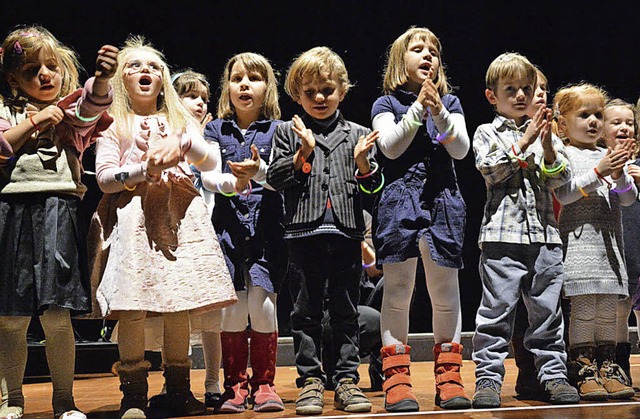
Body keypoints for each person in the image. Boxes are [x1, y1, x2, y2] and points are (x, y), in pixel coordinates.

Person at [88, 35, 237, 419]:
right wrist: (143, 170)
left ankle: (179, 390)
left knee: (179, 305)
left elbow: (209, 162)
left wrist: (184, 140)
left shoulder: (179, 120)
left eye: (154, 66)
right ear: (121, 78)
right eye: (135, 65)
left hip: (180, 220)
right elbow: (104, 178)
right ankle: (134, 395)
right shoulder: (114, 124)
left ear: (164, 80)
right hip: (135, 221)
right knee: (134, 306)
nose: (146, 71)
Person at [0, 25, 117, 419]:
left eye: (51, 66)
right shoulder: (6, 111)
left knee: (56, 314)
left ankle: (64, 400)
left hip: (57, 212)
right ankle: (12, 399)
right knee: (12, 316)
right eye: (32, 69)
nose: (45, 75)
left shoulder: (68, 117)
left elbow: (91, 109)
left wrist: (101, 79)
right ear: (14, 77)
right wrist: (34, 122)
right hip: (11, 213)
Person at [266, 46, 382, 415]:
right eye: (310, 91)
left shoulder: (359, 134)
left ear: (342, 91)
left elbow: (373, 191)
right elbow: (275, 178)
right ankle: (311, 380)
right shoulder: (288, 132)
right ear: (296, 94)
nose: (319, 97)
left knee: (347, 311)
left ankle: (347, 379)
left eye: (327, 90)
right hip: (303, 235)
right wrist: (303, 154)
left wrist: (364, 165)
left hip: (346, 234)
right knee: (305, 311)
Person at [369, 26, 471, 412]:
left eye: (434, 51)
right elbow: (390, 150)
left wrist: (439, 111)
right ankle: (397, 381)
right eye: (417, 49)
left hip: (443, 199)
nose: (427, 56)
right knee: (398, 290)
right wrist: (417, 109)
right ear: (400, 61)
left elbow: (461, 150)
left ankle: (449, 378)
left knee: (445, 291)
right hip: (400, 200)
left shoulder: (452, 104)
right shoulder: (385, 105)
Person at [471, 52, 580, 408]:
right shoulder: (487, 132)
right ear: (493, 96)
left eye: (526, 88)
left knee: (547, 314)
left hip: (545, 239)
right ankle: (488, 379)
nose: (520, 95)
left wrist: (547, 146)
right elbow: (491, 170)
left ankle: (553, 377)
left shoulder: (546, 132)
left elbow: (561, 180)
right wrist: (525, 141)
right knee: (496, 313)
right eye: (511, 89)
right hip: (502, 239)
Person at [199, 52, 287, 413]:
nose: (245, 84)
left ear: (268, 87)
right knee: (233, 312)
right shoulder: (215, 129)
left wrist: (259, 172)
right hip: (227, 234)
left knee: (263, 308)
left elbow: (283, 180)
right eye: (237, 78)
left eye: (254, 77)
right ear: (228, 88)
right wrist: (235, 183)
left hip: (268, 233)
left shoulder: (279, 130)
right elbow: (206, 175)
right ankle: (235, 385)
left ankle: (265, 384)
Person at [554, 86, 637, 400]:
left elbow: (628, 200)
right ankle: (583, 368)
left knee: (608, 312)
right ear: (563, 124)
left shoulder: (607, 154)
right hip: (580, 249)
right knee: (585, 310)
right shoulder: (564, 153)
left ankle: (607, 367)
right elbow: (564, 193)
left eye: (598, 115)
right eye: (584, 115)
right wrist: (598, 172)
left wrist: (619, 175)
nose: (593, 121)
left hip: (609, 251)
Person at [171, 68, 224, 409]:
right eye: (191, 96)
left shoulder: (211, 144)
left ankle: (213, 383)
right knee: (177, 316)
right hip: (172, 237)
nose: (200, 103)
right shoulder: (163, 136)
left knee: (210, 318)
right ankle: (178, 385)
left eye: (204, 98)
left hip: (204, 238)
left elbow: (214, 180)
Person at [509, 66, 550, 400]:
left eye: (543, 89)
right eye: (533, 88)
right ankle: (528, 372)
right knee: (525, 307)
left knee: (552, 307)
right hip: (519, 232)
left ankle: (557, 371)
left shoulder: (556, 134)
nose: (539, 94)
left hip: (553, 229)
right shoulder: (508, 133)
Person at [603, 98, 638, 388]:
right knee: (619, 311)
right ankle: (619, 367)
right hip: (616, 251)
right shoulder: (597, 163)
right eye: (617, 122)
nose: (625, 127)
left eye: (629, 122)